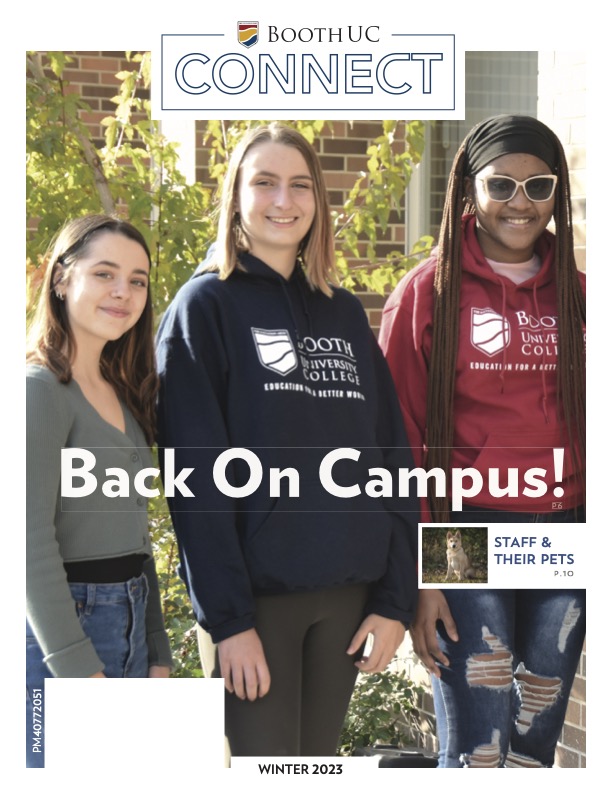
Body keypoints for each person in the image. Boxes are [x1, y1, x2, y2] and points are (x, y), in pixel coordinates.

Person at [156, 123, 418, 757]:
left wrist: (396, 600)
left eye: (301, 185)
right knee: (265, 769)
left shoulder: (343, 310)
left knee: (317, 767)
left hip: (349, 599)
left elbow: (392, 458)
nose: (284, 200)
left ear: (317, 202)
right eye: (265, 182)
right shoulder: (203, 308)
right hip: (259, 603)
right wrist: (229, 622)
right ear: (236, 196)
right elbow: (196, 483)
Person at [379, 115, 586, 768]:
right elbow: (397, 442)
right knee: (479, 750)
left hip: (566, 532)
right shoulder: (425, 295)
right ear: (469, 190)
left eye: (538, 185)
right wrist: (418, 573)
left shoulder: (583, 299)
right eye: (501, 185)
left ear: (558, 194)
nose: (520, 202)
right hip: (463, 533)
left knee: (530, 746)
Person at [26, 215, 173, 769]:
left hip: (130, 621)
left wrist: (156, 644)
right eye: (105, 273)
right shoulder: (39, 391)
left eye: (138, 280)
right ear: (62, 279)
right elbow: (25, 542)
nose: (123, 292)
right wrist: (74, 669)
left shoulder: (122, 392)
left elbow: (136, 537)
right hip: (68, 630)